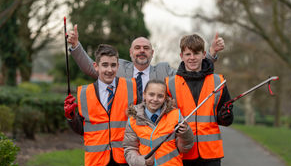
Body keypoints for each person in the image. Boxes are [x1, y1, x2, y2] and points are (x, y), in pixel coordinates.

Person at [67, 24, 225, 102]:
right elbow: (90, 68)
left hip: (154, 134)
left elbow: (192, 73)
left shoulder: (163, 71)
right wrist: (75, 45)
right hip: (125, 133)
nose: (141, 51)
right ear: (131, 52)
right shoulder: (119, 67)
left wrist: (211, 54)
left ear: (152, 53)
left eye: (146, 48)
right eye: (137, 48)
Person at [63, 44, 137, 166]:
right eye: (105, 65)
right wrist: (71, 116)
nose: (109, 70)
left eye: (113, 65)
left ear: (117, 66)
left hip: (124, 162)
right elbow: (81, 129)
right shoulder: (84, 94)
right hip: (97, 164)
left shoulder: (131, 88)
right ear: (96, 66)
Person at [165, 34, 234, 166]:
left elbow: (227, 120)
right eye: (188, 54)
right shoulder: (170, 84)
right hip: (181, 153)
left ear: (204, 54)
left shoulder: (218, 82)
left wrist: (225, 116)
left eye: (196, 53)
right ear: (181, 56)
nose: (192, 58)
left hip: (210, 155)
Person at [123, 80, 194, 166]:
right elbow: (129, 149)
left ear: (165, 97)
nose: (155, 99)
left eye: (160, 96)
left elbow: (185, 148)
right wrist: (142, 162)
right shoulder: (133, 120)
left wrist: (186, 134)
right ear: (144, 95)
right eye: (151, 94)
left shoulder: (175, 115)